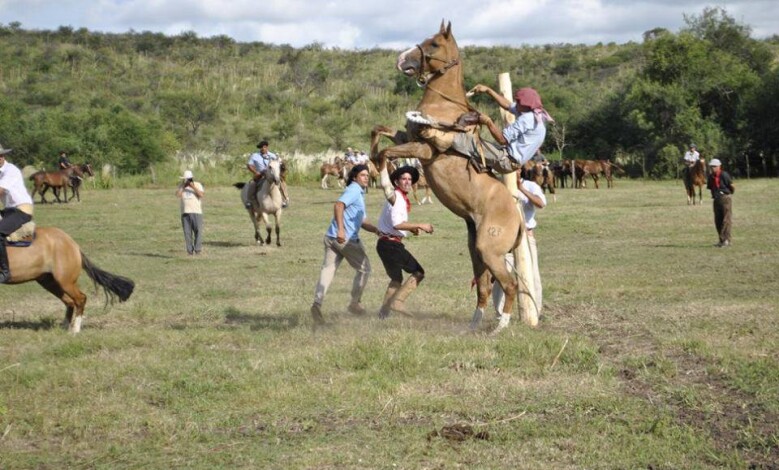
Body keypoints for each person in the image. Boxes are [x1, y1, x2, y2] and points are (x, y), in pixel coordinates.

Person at [310, 164, 379, 325]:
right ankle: (355, 303)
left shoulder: (359, 193)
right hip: (344, 239)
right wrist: (341, 230)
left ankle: (317, 304)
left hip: (331, 237)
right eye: (362, 175)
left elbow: (362, 221)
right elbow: (339, 205)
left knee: (328, 270)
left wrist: (376, 230)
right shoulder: (354, 190)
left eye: (367, 175)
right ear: (354, 177)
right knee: (365, 268)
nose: (366, 177)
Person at [375, 165, 434, 318]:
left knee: (396, 279)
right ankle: (398, 302)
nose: (407, 182)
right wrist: (420, 225)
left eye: (410, 179)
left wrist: (411, 229)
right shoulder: (398, 198)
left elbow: (396, 224)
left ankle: (383, 315)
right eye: (404, 179)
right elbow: (396, 224)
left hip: (384, 244)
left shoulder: (398, 196)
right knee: (419, 272)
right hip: (391, 245)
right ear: (396, 182)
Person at [460, 86, 554, 174]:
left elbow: (502, 140)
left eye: (518, 101)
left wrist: (488, 122)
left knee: (463, 142)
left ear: (526, 105)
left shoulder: (527, 119)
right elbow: (508, 105)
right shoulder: (536, 115)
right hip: (511, 161)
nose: (516, 103)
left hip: (506, 160)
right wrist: (488, 90)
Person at [492, 173, 546, 316]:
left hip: (526, 237)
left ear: (520, 169)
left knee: (532, 275)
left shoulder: (530, 185)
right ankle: (500, 314)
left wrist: (521, 189)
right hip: (506, 238)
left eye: (516, 168)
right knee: (501, 276)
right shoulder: (499, 186)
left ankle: (535, 311)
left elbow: (541, 204)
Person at [0, 144, 34, 283]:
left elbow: (0, 190)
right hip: (9, 210)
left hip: (21, 210)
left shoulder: (10, 170)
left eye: (1, 155)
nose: (0, 158)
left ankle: (5, 271)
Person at [247, 140, 289, 208]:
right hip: (261, 174)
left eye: (264, 147)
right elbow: (249, 165)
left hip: (272, 174)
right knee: (252, 183)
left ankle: (285, 199)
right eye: (261, 147)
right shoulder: (255, 156)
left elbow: (281, 164)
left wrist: (281, 170)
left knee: (281, 182)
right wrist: (256, 172)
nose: (262, 148)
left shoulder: (273, 155)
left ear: (267, 147)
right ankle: (249, 201)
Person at [706, 158, 735, 248]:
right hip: (716, 199)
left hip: (725, 197)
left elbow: (732, 186)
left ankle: (726, 240)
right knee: (718, 220)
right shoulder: (711, 176)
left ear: (719, 166)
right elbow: (710, 187)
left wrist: (728, 194)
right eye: (711, 167)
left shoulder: (724, 175)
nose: (712, 168)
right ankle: (721, 240)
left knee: (726, 220)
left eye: (714, 166)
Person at [175, 170, 204, 255]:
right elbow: (178, 195)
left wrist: (193, 187)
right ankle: (189, 251)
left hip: (196, 211)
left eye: (187, 179)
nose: (186, 181)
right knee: (187, 233)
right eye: (185, 179)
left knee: (198, 231)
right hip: (185, 212)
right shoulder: (181, 186)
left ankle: (198, 249)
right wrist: (183, 187)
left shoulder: (198, 184)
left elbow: (201, 195)